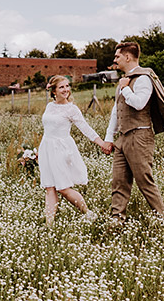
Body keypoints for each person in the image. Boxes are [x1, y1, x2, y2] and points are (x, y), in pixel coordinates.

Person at [101, 42, 164, 222]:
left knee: (144, 181)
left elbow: (139, 103)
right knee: (119, 182)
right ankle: (117, 221)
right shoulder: (123, 80)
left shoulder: (144, 78)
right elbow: (116, 111)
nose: (115, 60)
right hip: (122, 138)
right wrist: (109, 138)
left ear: (128, 57)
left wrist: (125, 88)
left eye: (117, 57)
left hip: (140, 136)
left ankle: (162, 219)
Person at [38, 75, 110, 226]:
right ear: (54, 91)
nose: (66, 90)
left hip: (61, 149)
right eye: (61, 87)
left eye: (67, 86)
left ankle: (88, 213)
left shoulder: (72, 109)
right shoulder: (50, 106)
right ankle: (49, 224)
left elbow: (85, 128)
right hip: (47, 148)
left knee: (63, 188)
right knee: (49, 187)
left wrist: (102, 143)